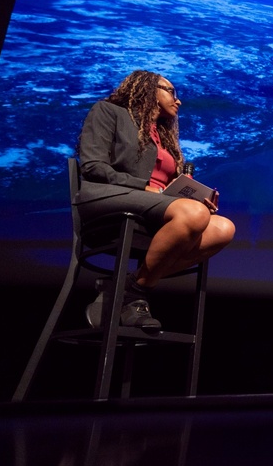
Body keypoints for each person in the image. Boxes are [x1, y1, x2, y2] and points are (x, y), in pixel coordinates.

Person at [76, 70, 236, 330]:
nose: (178, 100)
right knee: (193, 214)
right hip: (109, 198)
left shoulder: (163, 135)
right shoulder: (108, 111)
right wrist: (145, 187)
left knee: (223, 228)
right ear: (149, 89)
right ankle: (135, 294)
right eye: (171, 91)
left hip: (155, 206)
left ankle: (130, 286)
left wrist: (195, 197)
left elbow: (169, 188)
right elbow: (93, 167)